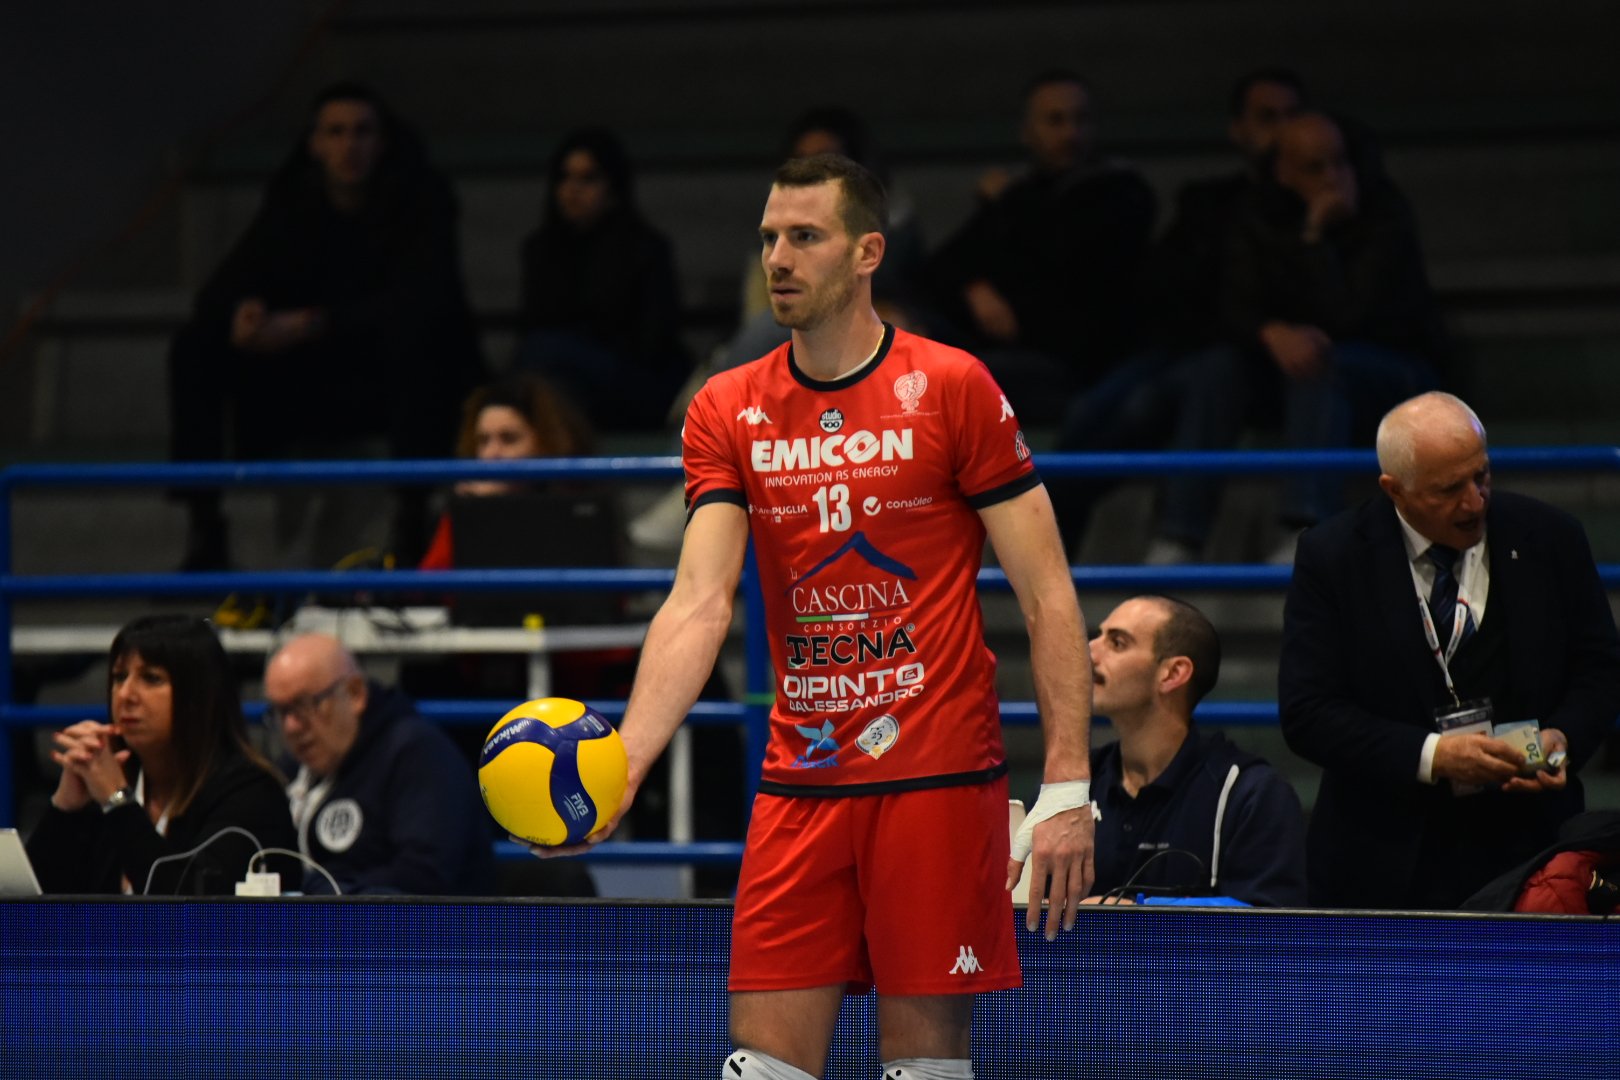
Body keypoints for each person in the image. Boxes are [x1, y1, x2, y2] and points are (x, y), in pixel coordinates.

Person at [521, 153, 1096, 1080]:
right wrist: (628, 758)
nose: (778, 259)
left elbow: (1048, 593)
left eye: (804, 237)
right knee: (761, 1068)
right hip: (803, 780)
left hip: (937, 776)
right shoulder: (727, 405)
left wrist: (1067, 785)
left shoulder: (952, 386)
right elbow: (698, 601)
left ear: (868, 252)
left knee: (924, 1070)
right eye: (768, 238)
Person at [1280, 392, 1620, 908]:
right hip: (1383, 859)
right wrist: (1434, 756)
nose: (1475, 501)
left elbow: (1601, 669)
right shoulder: (1333, 556)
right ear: (1395, 490)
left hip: (1532, 850)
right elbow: (1308, 712)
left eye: (1481, 475)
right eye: (1449, 489)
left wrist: (1564, 738)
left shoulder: (1551, 537)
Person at [168, 82, 486, 570]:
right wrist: (245, 313)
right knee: (195, 346)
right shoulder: (293, 199)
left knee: (415, 343)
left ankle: (412, 518)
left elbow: (426, 302)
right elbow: (218, 294)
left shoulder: (421, 197)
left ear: (383, 141)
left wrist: (309, 324)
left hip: (390, 382)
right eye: (335, 133)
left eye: (362, 132)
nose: (349, 146)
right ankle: (205, 526)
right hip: (310, 382)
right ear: (315, 143)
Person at [1050, 69, 1306, 562]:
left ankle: (1176, 537)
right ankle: (1037, 547)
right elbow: (1169, 285)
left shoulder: (1319, 208)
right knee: (1089, 409)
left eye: (1291, 116)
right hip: (1184, 343)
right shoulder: (1209, 203)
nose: (1279, 129)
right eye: (1266, 117)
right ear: (1238, 129)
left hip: (1244, 359)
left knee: (1146, 403)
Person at [1225, 111, 1448, 559]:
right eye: (1315, 167)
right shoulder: (1261, 214)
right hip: (1296, 371)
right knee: (1217, 369)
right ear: (1284, 172)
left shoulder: (1383, 212)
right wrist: (1270, 330)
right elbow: (1232, 298)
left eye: (1340, 162)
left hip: (1398, 370)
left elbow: (1346, 317)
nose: (1332, 177)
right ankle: (1179, 536)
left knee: (1321, 363)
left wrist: (1314, 237)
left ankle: (1304, 528)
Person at [926, 69, 1156, 424]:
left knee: (960, 376)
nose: (1071, 133)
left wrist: (1007, 198)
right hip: (1007, 347)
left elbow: (1072, 249)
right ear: (1027, 132)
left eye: (1081, 119)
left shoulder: (1121, 191)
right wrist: (974, 286)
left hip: (1077, 366)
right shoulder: (1024, 192)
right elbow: (942, 266)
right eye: (1055, 121)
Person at [26, 615, 298, 894]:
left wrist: (117, 801)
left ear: (199, 693)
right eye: (119, 677)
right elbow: (25, 904)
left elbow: (187, 908)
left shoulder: (252, 796)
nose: (125, 694)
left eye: (151, 678)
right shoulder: (104, 792)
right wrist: (65, 808)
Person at [1083, 596, 1306, 906]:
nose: (1089, 651)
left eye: (1117, 643)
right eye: (1098, 636)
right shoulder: (1075, 781)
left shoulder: (1251, 795)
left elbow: (1270, 921)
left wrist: (1137, 912)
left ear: (1173, 673)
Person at [264, 633, 495, 895]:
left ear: (355, 693)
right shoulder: (294, 770)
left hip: (414, 921)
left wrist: (323, 892)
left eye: (306, 705)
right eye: (280, 711)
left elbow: (424, 877)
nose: (292, 726)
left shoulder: (419, 756)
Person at [514, 128, 690, 431]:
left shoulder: (644, 247)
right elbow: (534, 320)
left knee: (542, 351)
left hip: (637, 379)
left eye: (588, 179)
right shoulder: (541, 250)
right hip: (573, 379)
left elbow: (653, 341)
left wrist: (584, 347)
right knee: (558, 379)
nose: (573, 190)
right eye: (564, 178)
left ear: (614, 187)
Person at [418, 373, 595, 570]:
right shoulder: (468, 502)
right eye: (483, 440)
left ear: (546, 444)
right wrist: (477, 513)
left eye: (509, 439)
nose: (491, 454)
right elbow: (431, 582)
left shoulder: (580, 504)